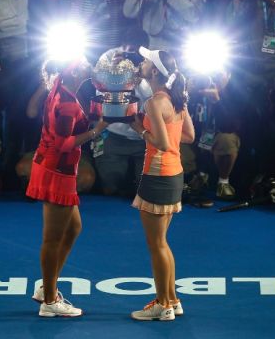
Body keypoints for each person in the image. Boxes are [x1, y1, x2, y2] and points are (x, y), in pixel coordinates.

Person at [27, 57, 108, 317]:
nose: (90, 65)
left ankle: (46, 287)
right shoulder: (68, 103)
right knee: (52, 239)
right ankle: (49, 301)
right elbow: (64, 143)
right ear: (73, 70)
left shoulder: (60, 87)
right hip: (56, 172)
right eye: (84, 63)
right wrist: (99, 129)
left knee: (73, 228)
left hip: (55, 168)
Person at [128, 47, 194, 321]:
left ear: (154, 71)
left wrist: (139, 129)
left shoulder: (154, 103)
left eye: (145, 61)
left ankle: (163, 305)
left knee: (157, 245)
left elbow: (164, 144)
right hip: (174, 175)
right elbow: (189, 136)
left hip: (157, 176)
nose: (141, 63)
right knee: (162, 243)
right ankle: (172, 300)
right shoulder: (178, 101)